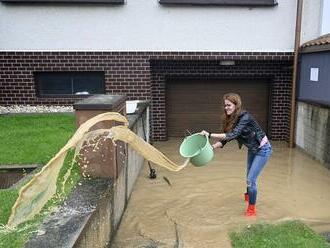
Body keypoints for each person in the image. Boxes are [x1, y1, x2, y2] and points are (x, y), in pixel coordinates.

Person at [200, 93, 272, 217]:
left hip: (263, 149)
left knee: (251, 180)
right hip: (252, 149)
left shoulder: (245, 117)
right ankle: (249, 196)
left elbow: (233, 134)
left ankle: (251, 210)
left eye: (229, 105)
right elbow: (226, 138)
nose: (226, 108)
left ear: (236, 105)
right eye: (225, 105)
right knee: (248, 177)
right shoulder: (231, 119)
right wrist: (212, 147)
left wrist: (209, 134)